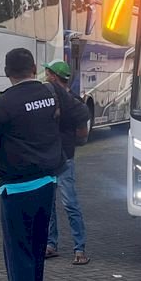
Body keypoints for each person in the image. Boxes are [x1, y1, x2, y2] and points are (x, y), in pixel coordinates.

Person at [0, 47, 64, 281]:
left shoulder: (5, 103)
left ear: (7, 72)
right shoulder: (49, 94)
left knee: (18, 251)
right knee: (37, 248)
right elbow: (73, 118)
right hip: (47, 182)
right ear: (34, 69)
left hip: (17, 187)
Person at [41, 60, 90, 265]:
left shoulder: (69, 101)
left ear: (53, 76)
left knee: (65, 203)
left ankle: (71, 247)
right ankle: (65, 247)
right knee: (60, 203)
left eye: (47, 73)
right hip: (63, 156)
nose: (45, 76)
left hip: (57, 157)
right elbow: (83, 133)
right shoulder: (75, 100)